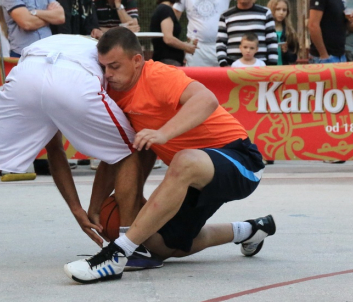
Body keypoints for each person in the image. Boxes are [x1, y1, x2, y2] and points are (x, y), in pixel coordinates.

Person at [0, 34, 146, 276]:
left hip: (25, 75)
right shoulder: (101, 52)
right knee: (129, 151)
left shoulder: (57, 40)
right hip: (73, 76)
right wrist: (87, 207)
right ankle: (129, 248)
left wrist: (77, 209)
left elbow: (54, 149)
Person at [64, 27, 275, 284]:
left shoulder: (157, 75)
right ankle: (251, 229)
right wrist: (95, 207)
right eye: (104, 67)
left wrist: (163, 133)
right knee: (162, 246)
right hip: (196, 175)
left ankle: (118, 254)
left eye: (115, 67)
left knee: (183, 160)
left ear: (137, 60)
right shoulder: (111, 92)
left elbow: (206, 99)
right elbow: (115, 155)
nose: (108, 74)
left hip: (239, 160)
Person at [216, 0, 278, 67]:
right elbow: (220, 42)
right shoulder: (226, 15)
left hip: (260, 67)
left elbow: (272, 41)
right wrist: (224, 64)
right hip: (232, 68)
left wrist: (271, 66)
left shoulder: (265, 13)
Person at [150, 0, 197, 66]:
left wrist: (184, 44)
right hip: (168, 61)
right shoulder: (166, 10)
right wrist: (186, 46)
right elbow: (168, 39)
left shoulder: (160, 10)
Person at [267, 0, 299, 65]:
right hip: (268, 70)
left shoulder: (290, 32)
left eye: (284, 10)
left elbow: (293, 58)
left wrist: (286, 51)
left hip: (284, 70)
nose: (281, 13)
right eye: (278, 9)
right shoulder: (266, 30)